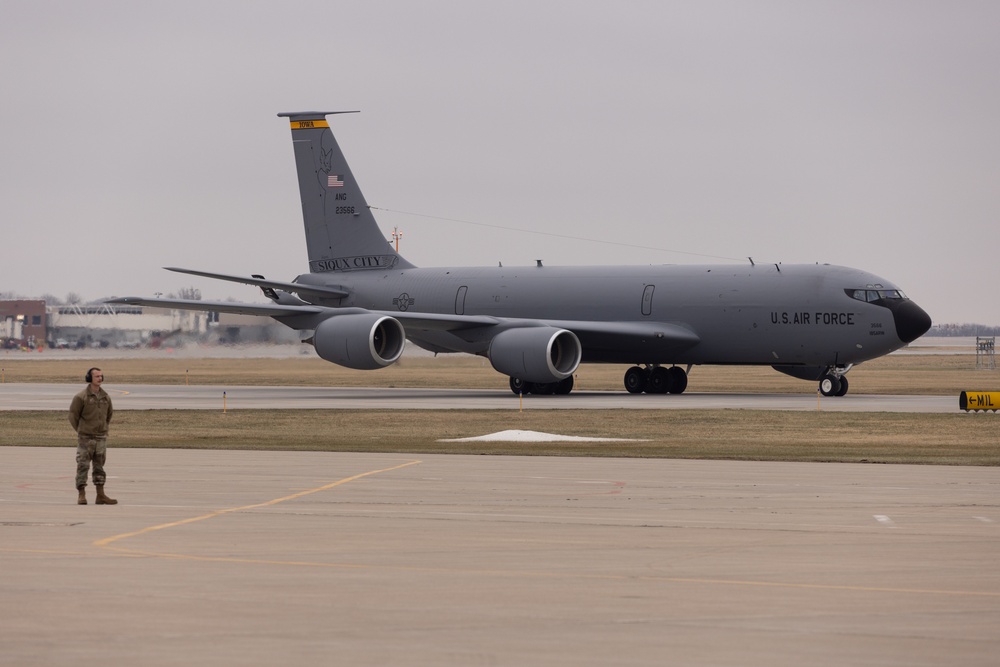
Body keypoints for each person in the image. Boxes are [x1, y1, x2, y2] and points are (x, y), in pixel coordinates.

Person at [68, 367, 118, 505]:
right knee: (83, 465)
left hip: (101, 438)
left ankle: (100, 495)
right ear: (90, 378)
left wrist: (103, 428)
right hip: (85, 438)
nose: (100, 379)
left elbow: (109, 415)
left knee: (99, 467)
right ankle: (81, 495)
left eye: (101, 376)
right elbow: (73, 416)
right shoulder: (81, 397)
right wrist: (81, 431)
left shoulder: (105, 397)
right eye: (96, 376)